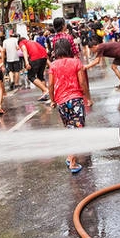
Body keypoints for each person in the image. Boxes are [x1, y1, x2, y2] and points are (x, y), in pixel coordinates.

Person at [48, 39, 90, 174]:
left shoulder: (53, 65)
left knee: (69, 128)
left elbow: (50, 85)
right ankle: (72, 162)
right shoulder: (76, 62)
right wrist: (87, 96)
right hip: (76, 99)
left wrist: (52, 100)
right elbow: (82, 81)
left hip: (61, 102)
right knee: (77, 130)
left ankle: (69, 156)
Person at [18, 36, 50, 101]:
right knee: (40, 76)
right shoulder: (32, 41)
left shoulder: (21, 42)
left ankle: (46, 90)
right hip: (44, 57)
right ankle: (45, 94)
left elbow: (24, 50)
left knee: (31, 76)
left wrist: (26, 62)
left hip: (35, 57)